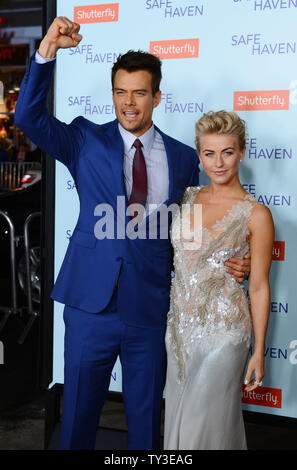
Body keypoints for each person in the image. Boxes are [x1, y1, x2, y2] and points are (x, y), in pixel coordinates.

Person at [15, 17, 250, 450]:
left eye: (139, 93)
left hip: (150, 309)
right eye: (120, 92)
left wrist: (234, 257)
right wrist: (47, 49)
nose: (128, 103)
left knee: (145, 424)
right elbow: (28, 117)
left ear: (156, 96)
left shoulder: (183, 159)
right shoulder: (84, 139)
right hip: (90, 307)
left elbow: (195, 226)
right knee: (79, 420)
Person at [164, 110, 274, 450]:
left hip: (224, 334)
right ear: (199, 155)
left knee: (206, 428)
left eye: (227, 152)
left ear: (242, 152)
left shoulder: (256, 213)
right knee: (177, 425)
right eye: (209, 153)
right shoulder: (185, 198)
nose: (219, 162)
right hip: (178, 332)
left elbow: (258, 286)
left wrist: (259, 351)